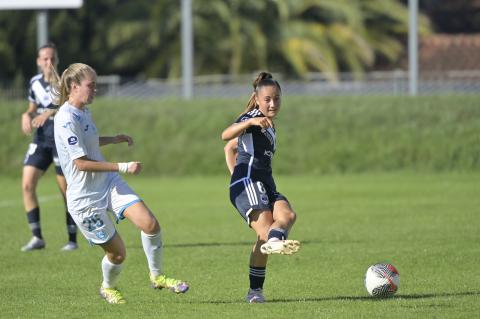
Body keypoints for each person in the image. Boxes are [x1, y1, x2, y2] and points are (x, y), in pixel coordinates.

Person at [52, 63, 189, 304]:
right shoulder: (64, 120)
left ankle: (157, 277)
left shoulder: (82, 111)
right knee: (118, 255)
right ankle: (107, 287)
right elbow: (81, 163)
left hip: (107, 183)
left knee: (150, 224)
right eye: (91, 86)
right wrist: (123, 166)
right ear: (74, 87)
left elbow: (89, 142)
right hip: (85, 201)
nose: (95, 90)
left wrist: (113, 139)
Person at [221, 71, 300, 303]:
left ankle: (255, 290)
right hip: (249, 182)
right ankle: (255, 290)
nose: (272, 103)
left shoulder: (270, 126)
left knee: (287, 215)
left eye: (276, 98)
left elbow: (230, 151)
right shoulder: (253, 117)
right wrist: (249, 121)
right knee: (266, 234)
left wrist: (234, 174)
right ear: (257, 99)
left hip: (265, 183)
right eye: (267, 99)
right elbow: (225, 137)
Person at [20, 43, 78, 252]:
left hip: (61, 141)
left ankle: (72, 240)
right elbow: (32, 109)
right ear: (38, 61)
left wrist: (48, 113)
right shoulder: (34, 82)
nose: (48, 62)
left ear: (57, 60)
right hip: (41, 140)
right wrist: (26, 116)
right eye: (45, 59)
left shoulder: (65, 81)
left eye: (52, 58)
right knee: (27, 185)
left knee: (65, 191)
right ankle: (37, 238)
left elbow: (68, 104)